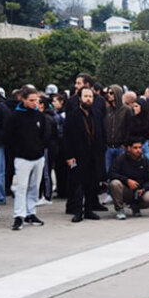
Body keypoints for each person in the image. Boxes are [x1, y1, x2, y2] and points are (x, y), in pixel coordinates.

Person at [2, 86, 50, 231]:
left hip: (38, 157)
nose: (34, 103)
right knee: (22, 187)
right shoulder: (14, 116)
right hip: (22, 158)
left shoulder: (40, 116)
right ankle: (19, 215)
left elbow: (44, 135)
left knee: (34, 187)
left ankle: (31, 212)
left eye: (36, 100)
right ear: (22, 99)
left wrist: (41, 148)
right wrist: (16, 152)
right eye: (31, 100)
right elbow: (8, 137)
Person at [64, 87, 107, 222]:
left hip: (94, 155)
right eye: (86, 96)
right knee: (78, 185)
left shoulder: (97, 114)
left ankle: (89, 210)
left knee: (92, 184)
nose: (88, 99)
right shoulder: (73, 115)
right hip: (78, 155)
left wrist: (102, 150)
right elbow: (67, 137)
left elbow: (102, 133)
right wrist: (69, 156)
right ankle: (78, 211)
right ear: (80, 98)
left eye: (90, 96)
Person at [108, 139, 149, 219]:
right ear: (129, 148)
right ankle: (120, 209)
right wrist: (127, 180)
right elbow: (112, 173)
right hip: (125, 189)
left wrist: (144, 189)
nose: (138, 150)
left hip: (139, 191)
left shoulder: (145, 160)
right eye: (135, 148)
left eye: (140, 148)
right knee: (114, 183)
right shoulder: (121, 158)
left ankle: (136, 207)